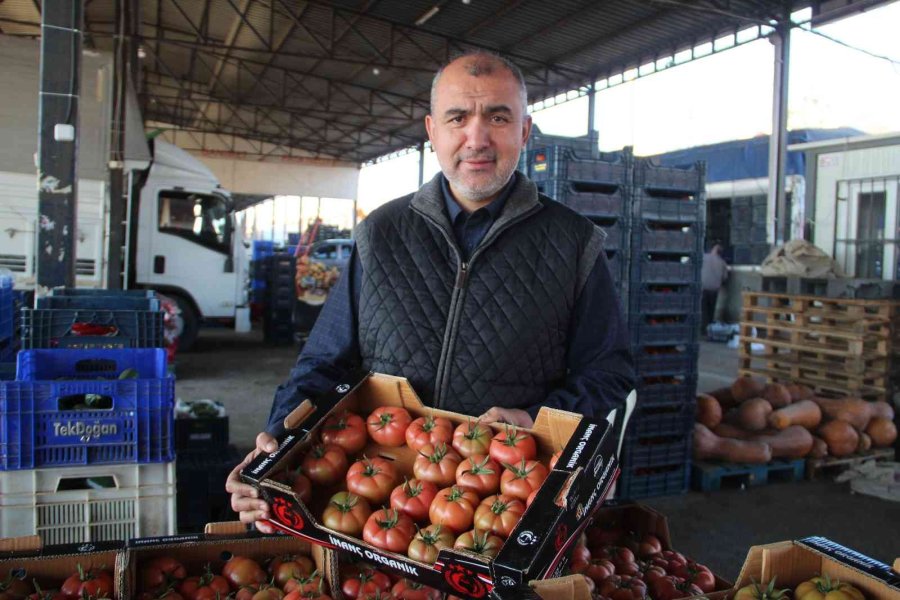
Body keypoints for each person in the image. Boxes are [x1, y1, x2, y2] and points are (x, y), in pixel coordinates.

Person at [227, 51, 634, 532]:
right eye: (457, 118)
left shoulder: (574, 243)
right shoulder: (381, 233)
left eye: (498, 118)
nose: (476, 138)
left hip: (503, 505)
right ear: (432, 131)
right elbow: (322, 363)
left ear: (524, 131)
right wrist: (275, 444)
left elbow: (609, 373)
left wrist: (536, 419)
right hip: (373, 502)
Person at [701, 243, 728, 333]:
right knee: (711, 310)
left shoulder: (704, 257)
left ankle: (702, 328)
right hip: (714, 289)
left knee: (703, 309)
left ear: (713, 250)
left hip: (703, 287)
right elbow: (725, 278)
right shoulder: (723, 263)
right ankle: (709, 328)